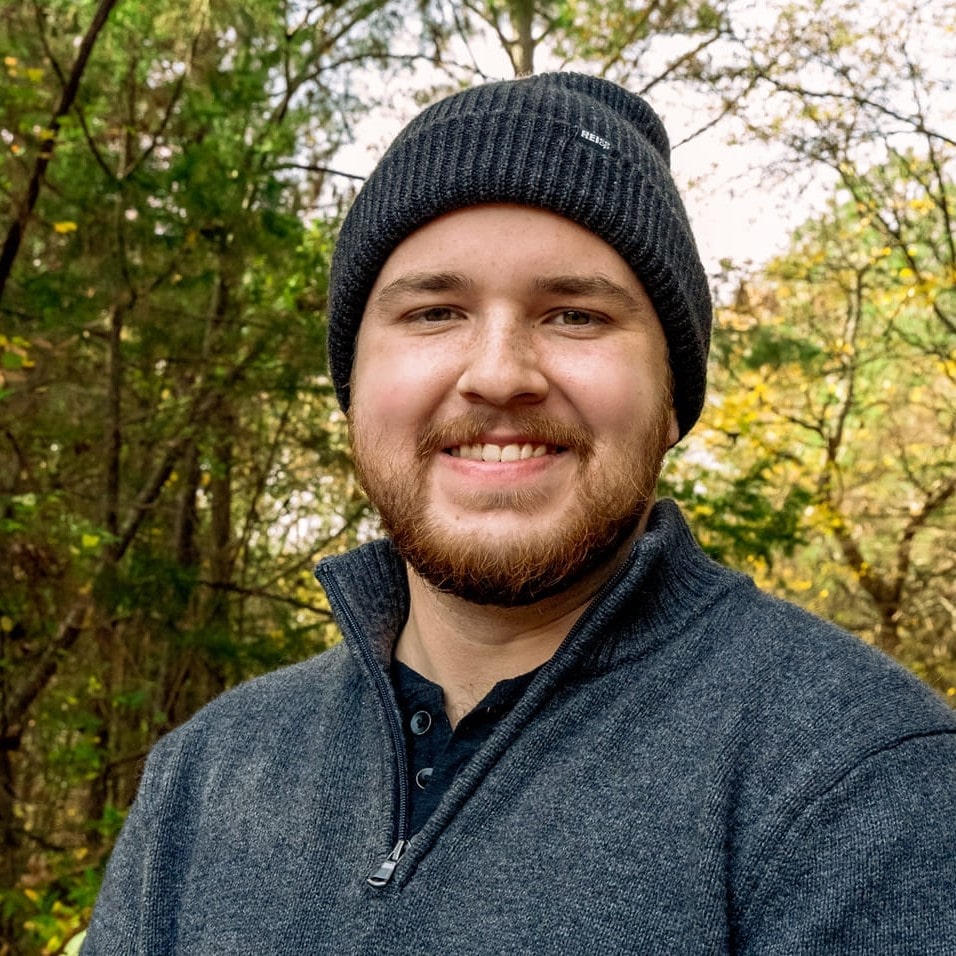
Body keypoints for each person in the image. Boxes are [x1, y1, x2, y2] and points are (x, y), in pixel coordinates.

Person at [83, 73, 956, 954]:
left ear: (671, 400)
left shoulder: (867, 777)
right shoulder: (204, 777)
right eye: (434, 312)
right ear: (354, 388)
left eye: (574, 314)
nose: (499, 373)